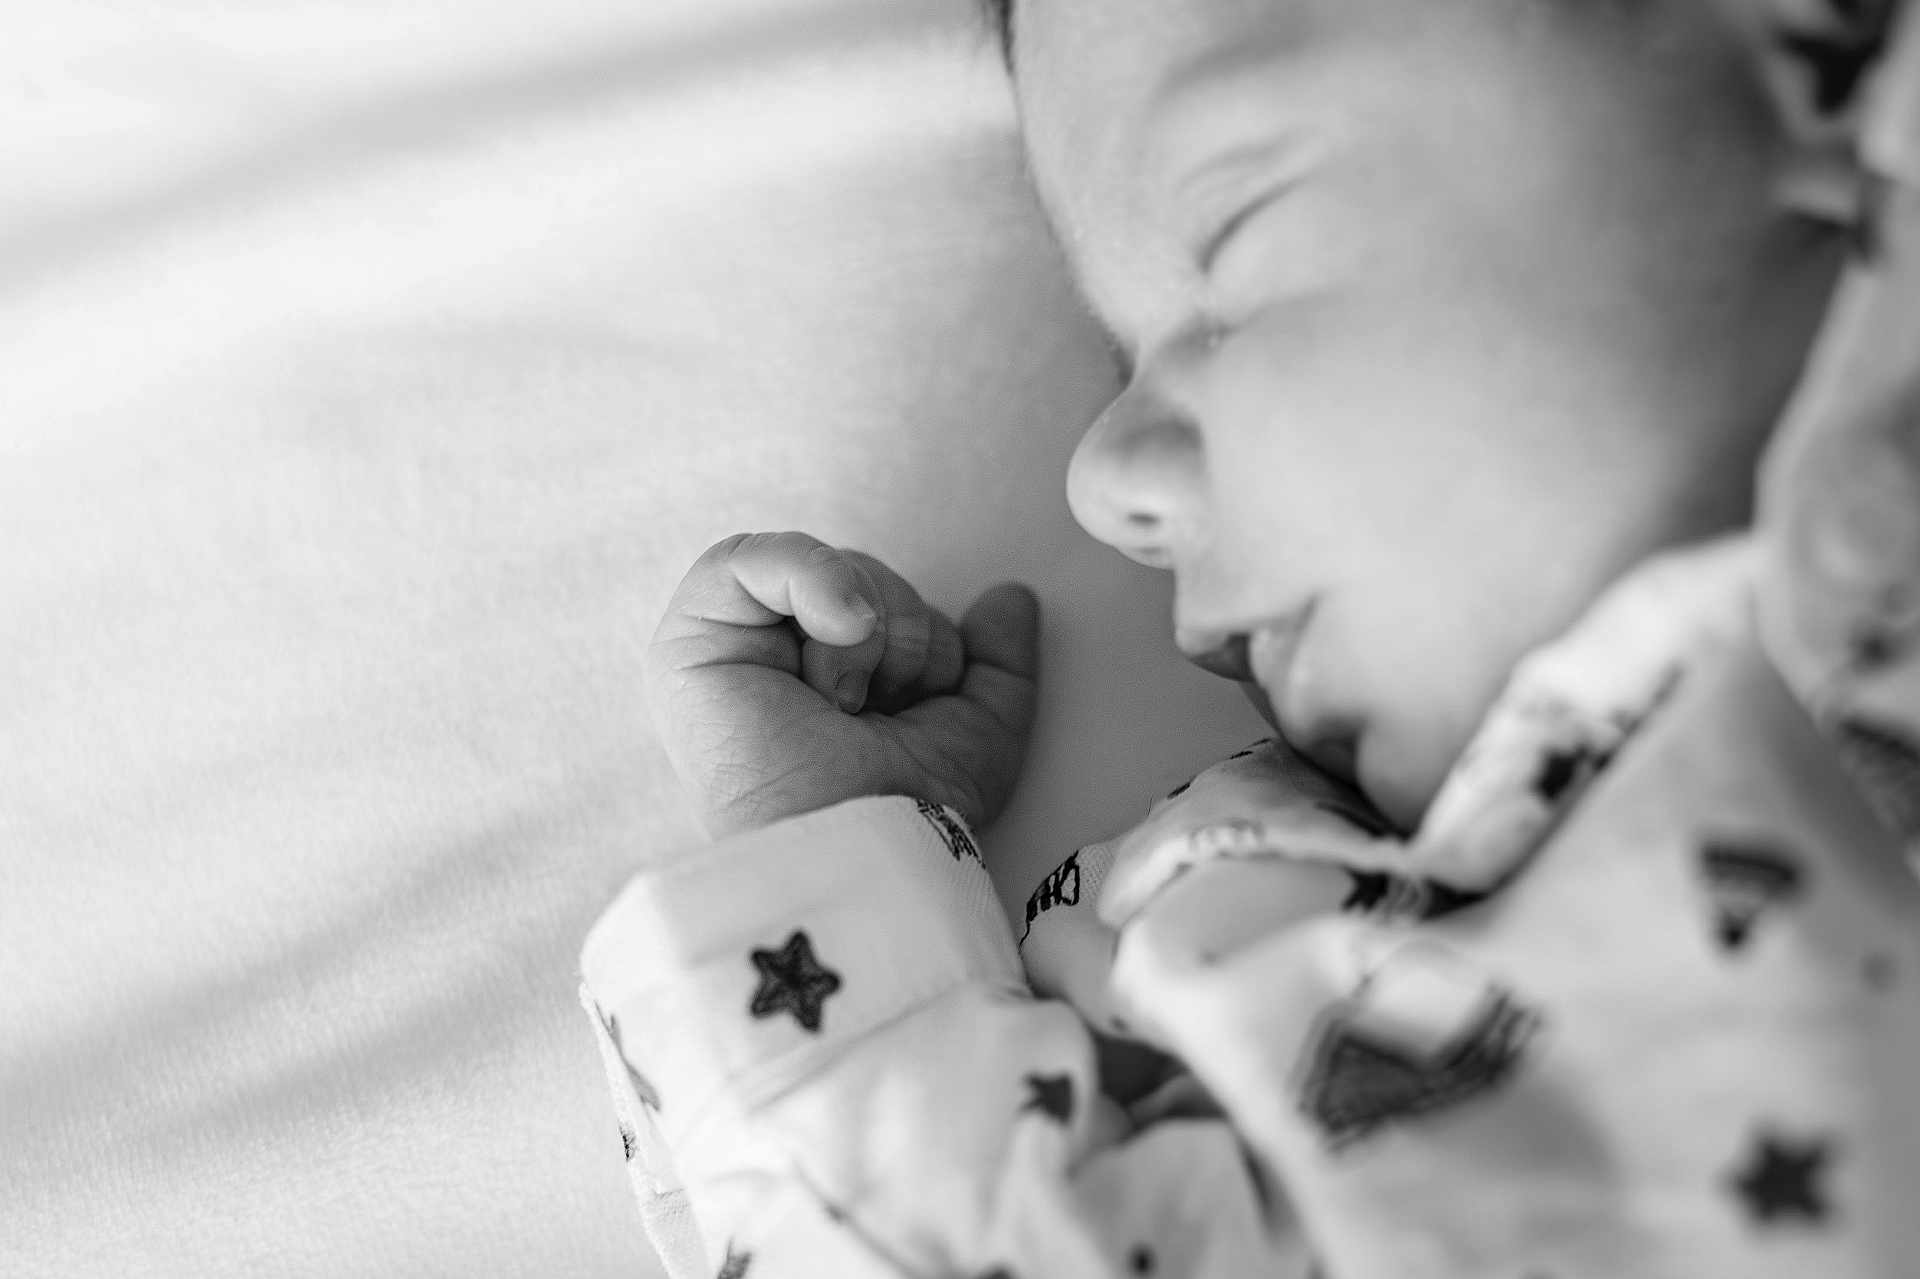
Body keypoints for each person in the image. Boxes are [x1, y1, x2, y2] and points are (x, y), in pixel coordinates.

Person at [579, 1, 1920, 1274]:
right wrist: (836, 864)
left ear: (1814, 55)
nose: (1098, 482)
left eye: (1227, 253)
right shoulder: (1310, 976)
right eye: (1121, 364)